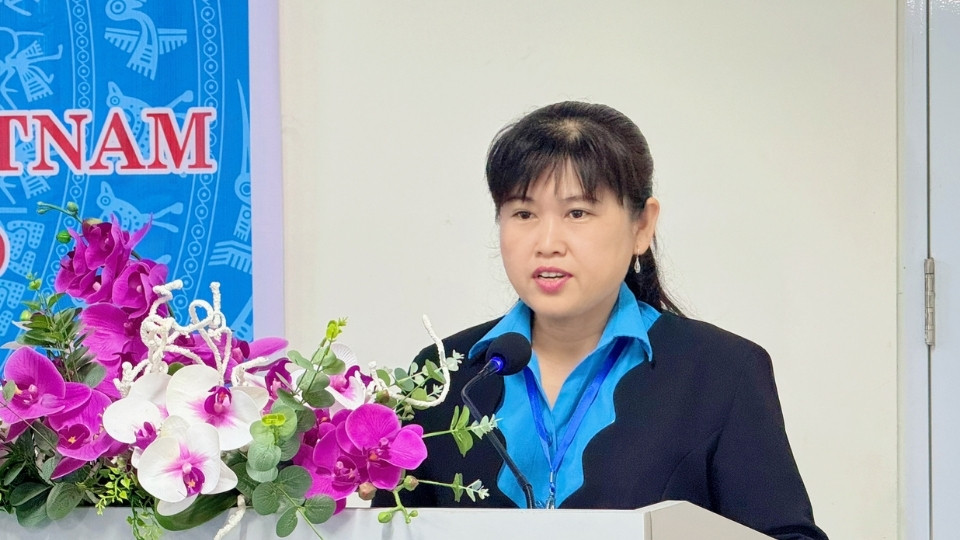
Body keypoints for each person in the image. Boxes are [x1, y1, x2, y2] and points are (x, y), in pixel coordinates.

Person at [372, 101, 828, 540]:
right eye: (523, 213)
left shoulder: (722, 371)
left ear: (642, 226)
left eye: (577, 213)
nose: (548, 242)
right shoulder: (445, 375)